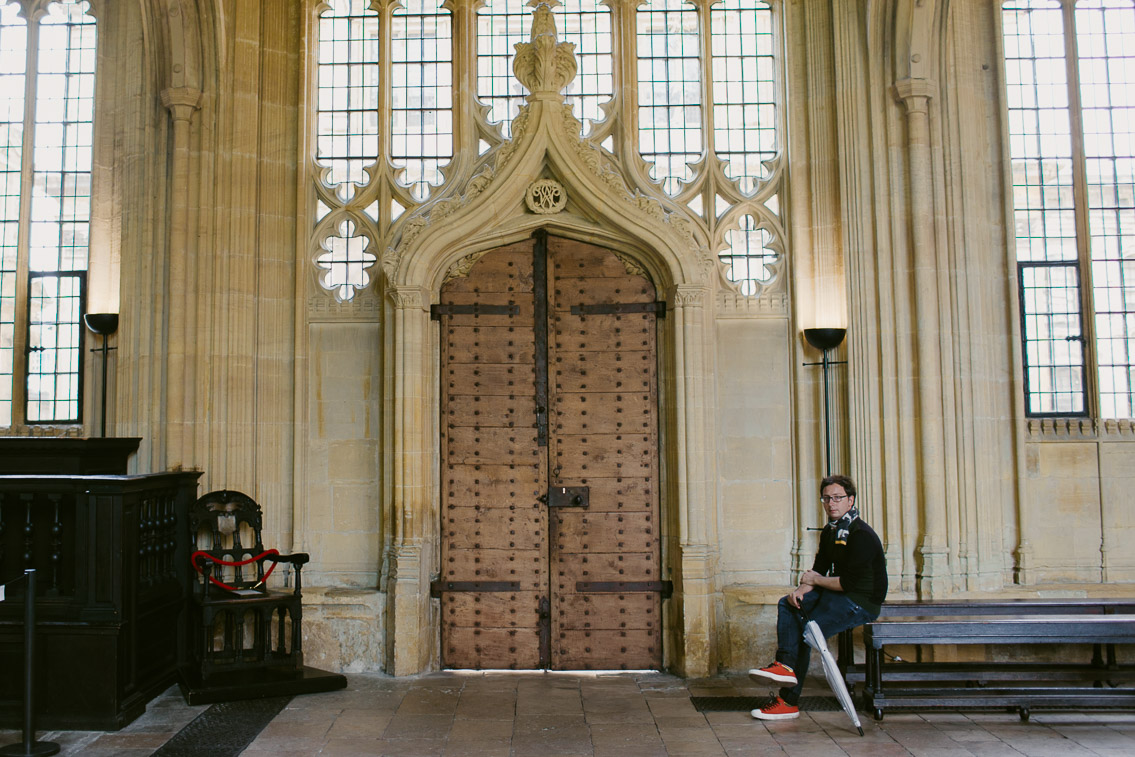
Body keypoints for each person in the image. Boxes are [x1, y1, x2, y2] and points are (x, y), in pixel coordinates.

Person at [748, 474, 887, 720]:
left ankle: (788, 701)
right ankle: (785, 667)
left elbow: (848, 584)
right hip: (838, 593)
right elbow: (820, 569)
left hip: (861, 602)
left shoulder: (860, 534)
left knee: (807, 630)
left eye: (837, 498)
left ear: (850, 500)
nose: (831, 503)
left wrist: (813, 581)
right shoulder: (831, 532)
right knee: (788, 603)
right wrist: (801, 589)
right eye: (826, 498)